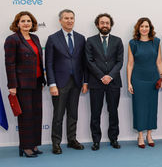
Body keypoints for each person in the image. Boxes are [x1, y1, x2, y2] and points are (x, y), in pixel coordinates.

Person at [45, 9, 88, 154]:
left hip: (76, 82)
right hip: (59, 83)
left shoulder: (81, 38)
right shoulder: (52, 38)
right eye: (66, 18)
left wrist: (85, 81)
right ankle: (56, 143)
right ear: (60, 20)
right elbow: (49, 63)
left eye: (72, 18)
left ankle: (72, 140)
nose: (69, 20)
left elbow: (84, 63)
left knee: (73, 113)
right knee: (58, 115)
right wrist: (52, 84)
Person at [4, 11, 46, 158]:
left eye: (29, 21)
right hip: (22, 84)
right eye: (23, 21)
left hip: (36, 82)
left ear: (32, 23)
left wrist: (42, 80)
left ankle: (34, 145)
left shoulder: (35, 38)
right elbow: (10, 64)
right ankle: (25, 146)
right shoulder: (12, 39)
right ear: (17, 24)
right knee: (26, 116)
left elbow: (39, 62)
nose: (26, 23)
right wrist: (12, 85)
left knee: (36, 114)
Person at [85, 13, 124, 150]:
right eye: (102, 23)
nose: (105, 25)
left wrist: (110, 76)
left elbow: (120, 62)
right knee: (95, 112)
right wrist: (102, 76)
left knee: (113, 111)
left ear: (111, 25)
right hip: (96, 82)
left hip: (114, 82)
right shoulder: (90, 41)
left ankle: (114, 139)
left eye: (107, 23)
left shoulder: (118, 41)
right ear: (97, 25)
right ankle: (96, 140)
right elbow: (89, 61)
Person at [127, 17, 162, 148]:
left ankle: (149, 135)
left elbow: (159, 61)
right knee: (139, 108)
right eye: (142, 26)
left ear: (150, 28)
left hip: (153, 79)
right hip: (138, 80)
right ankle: (140, 136)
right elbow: (130, 64)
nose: (144, 28)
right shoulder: (133, 43)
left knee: (151, 108)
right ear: (138, 28)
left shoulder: (156, 42)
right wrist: (129, 82)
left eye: (146, 26)